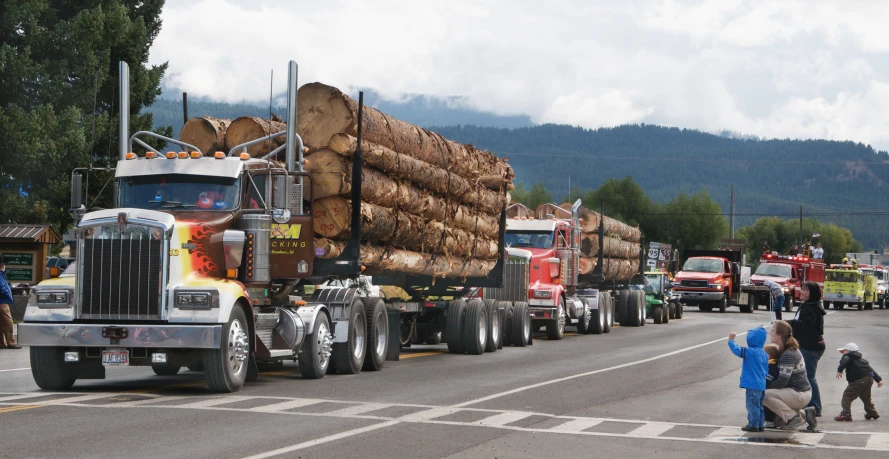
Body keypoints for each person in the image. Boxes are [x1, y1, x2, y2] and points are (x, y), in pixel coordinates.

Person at [764, 320, 814, 430]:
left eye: (772, 330)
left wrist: (764, 386)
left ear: (780, 334)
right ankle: (805, 413)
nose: (770, 333)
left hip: (799, 393)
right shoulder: (786, 350)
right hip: (798, 392)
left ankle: (793, 417)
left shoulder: (788, 354)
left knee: (764, 395)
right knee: (779, 422)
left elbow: (782, 381)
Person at [787, 281, 826, 418]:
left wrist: (789, 323)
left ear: (812, 293)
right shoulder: (807, 306)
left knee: (808, 377)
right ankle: (807, 404)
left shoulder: (812, 308)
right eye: (801, 289)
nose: (801, 292)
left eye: (805, 290)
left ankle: (815, 407)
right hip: (806, 346)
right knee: (804, 376)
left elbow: (807, 326)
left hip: (811, 347)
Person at [728, 327, 769, 432]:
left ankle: (753, 424)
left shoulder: (750, 352)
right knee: (759, 406)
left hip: (752, 384)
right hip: (761, 384)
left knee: (752, 405)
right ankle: (760, 424)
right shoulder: (765, 354)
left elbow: (737, 350)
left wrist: (731, 341)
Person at [835, 343, 882, 421]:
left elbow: (845, 359)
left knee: (847, 395)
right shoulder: (862, 360)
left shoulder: (847, 356)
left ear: (848, 351)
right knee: (865, 397)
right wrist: (878, 379)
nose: (843, 353)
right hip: (869, 378)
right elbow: (870, 369)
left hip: (860, 379)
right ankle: (872, 413)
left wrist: (840, 370)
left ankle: (846, 414)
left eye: (844, 351)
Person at [0, 254, 20, 349]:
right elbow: (2, 287)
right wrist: (8, 295)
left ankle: (1, 343)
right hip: (2, 301)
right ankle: (11, 342)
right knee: (8, 321)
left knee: (1, 322)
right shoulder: (0, 275)